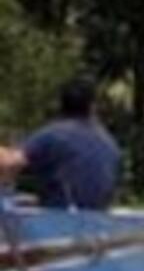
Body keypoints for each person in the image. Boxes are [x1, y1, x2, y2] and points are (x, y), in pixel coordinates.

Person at [0, 76, 121, 209]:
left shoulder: (55, 135)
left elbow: (9, 163)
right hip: (97, 218)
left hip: (61, 218)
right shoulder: (109, 143)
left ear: (60, 104)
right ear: (93, 107)